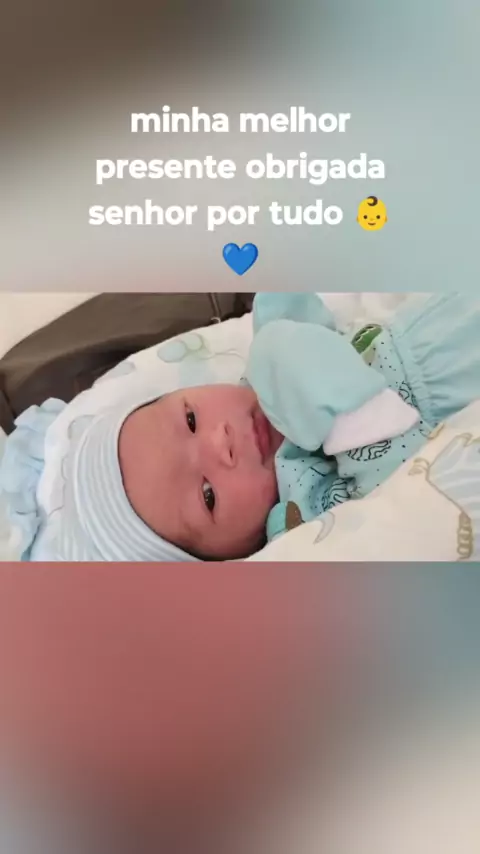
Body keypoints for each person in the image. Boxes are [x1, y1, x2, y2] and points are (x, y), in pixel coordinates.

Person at [2, 292, 480, 561]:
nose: (221, 442)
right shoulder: (300, 512)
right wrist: (352, 422)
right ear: (228, 555)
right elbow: (400, 487)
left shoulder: (262, 375)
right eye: (208, 494)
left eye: (191, 419)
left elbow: (306, 314)